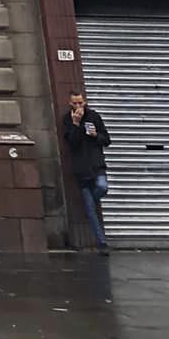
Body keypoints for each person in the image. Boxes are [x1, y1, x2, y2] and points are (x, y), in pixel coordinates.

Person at [63, 90, 112, 253]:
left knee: (102, 187)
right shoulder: (67, 119)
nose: (78, 106)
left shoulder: (94, 117)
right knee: (91, 211)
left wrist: (95, 135)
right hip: (81, 169)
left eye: (81, 103)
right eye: (75, 103)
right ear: (70, 104)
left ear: (85, 102)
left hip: (96, 164)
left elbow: (106, 140)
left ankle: (92, 199)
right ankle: (102, 243)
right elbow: (71, 143)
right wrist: (76, 125)